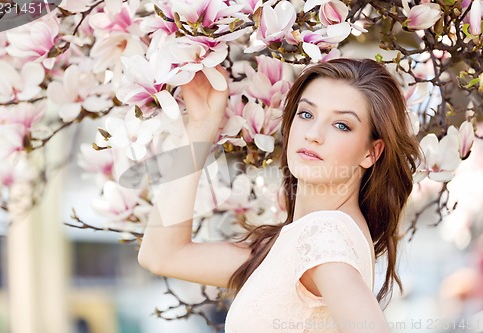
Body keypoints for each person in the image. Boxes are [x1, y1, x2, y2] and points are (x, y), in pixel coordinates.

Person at [137, 58, 421, 332]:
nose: (313, 134)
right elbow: (162, 255)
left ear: (371, 152)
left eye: (341, 125)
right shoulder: (294, 243)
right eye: (306, 114)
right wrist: (201, 125)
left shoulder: (325, 238)